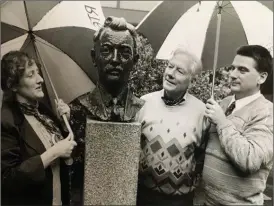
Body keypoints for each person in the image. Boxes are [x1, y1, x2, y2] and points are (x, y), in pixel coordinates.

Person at [68, 16, 145, 205]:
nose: (116, 60)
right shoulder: (78, 109)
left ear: (135, 60)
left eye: (125, 52)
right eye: (107, 50)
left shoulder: (141, 109)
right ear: (94, 58)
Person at [1, 51, 77, 206]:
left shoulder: (44, 112)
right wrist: (54, 153)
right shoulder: (6, 122)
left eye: (38, 72)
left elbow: (69, 153)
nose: (40, 79)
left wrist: (64, 124)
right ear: (13, 85)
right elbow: (7, 179)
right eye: (31, 75)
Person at [136, 47, 210, 206]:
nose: (170, 73)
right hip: (141, 196)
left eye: (180, 71)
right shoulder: (144, 103)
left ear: (192, 79)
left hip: (180, 201)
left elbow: (202, 156)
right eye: (170, 66)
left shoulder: (202, 112)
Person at [203, 45, 273, 205]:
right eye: (232, 68)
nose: (232, 74)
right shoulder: (224, 103)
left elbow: (250, 160)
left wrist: (221, 122)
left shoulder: (268, 113)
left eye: (242, 70)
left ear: (261, 78)